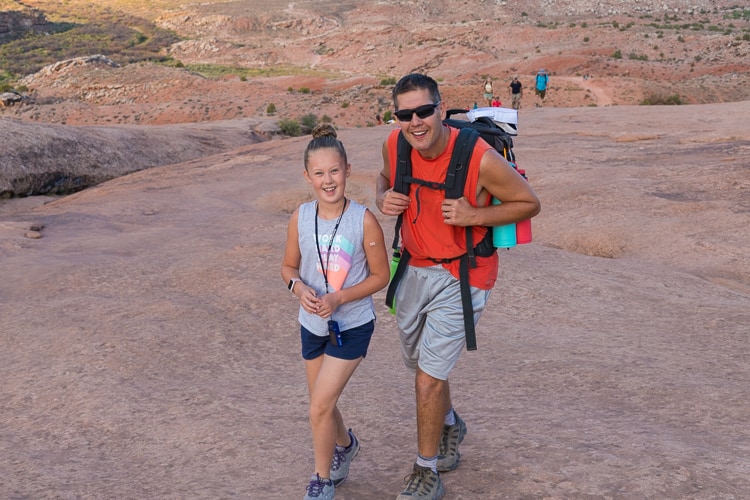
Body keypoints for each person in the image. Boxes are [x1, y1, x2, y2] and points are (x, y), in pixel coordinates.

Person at [375, 74, 541, 499]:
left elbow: (529, 202)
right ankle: (450, 424)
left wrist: (474, 216)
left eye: (424, 111)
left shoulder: (479, 157)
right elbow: (383, 177)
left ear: (439, 106)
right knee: (420, 366)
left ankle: (425, 471)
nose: (415, 122)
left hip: (462, 274)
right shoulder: (396, 146)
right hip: (413, 269)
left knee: (427, 379)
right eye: (405, 114)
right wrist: (382, 197)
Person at [282, 124, 390, 499]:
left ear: (347, 169)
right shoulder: (301, 216)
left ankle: (321, 479)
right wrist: (299, 289)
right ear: (307, 177)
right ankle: (346, 445)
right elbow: (288, 267)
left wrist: (339, 299)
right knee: (322, 405)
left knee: (319, 406)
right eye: (319, 173)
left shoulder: (363, 220)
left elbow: (381, 276)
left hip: (352, 326)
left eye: (334, 171)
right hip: (311, 323)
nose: (328, 181)